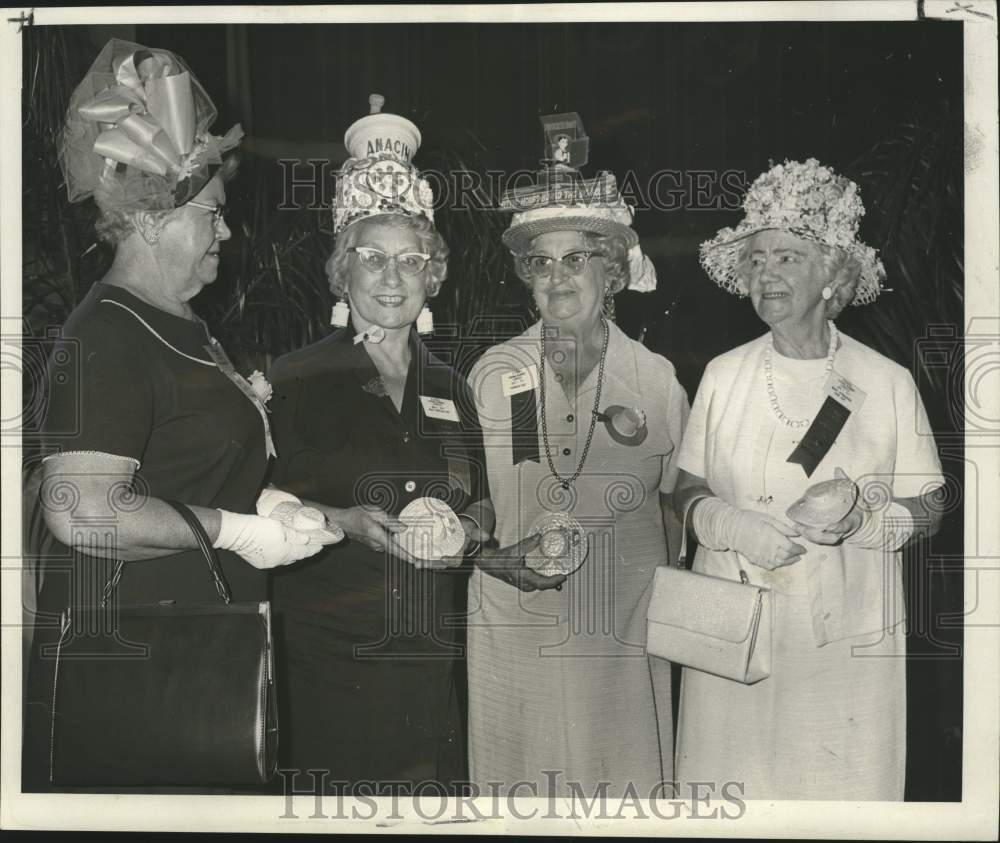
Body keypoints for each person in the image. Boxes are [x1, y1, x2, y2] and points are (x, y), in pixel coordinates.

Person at [22, 39, 325, 791]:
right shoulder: (104, 333)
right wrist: (242, 531)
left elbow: (191, 465)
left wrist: (270, 502)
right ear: (154, 220)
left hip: (200, 652)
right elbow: (82, 511)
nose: (227, 231)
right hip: (137, 665)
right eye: (213, 215)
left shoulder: (182, 326)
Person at [265, 96, 523, 793]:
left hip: (430, 658)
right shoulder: (292, 380)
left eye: (410, 261)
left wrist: (469, 527)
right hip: (324, 662)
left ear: (431, 275)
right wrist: (342, 522)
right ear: (342, 271)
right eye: (371, 258)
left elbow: (484, 503)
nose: (390, 278)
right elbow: (259, 505)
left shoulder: (454, 386)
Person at [673, 158, 945, 800]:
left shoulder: (884, 381)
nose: (766, 273)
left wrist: (867, 523)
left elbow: (931, 500)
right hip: (737, 632)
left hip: (843, 644)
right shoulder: (724, 374)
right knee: (732, 794)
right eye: (758, 258)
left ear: (832, 275)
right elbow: (684, 491)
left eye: (788, 258)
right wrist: (728, 523)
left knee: (835, 795)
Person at [465, 168, 689, 797]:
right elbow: (473, 496)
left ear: (612, 270)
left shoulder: (655, 378)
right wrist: (488, 554)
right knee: (522, 791)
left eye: (576, 258)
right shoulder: (495, 371)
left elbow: (678, 502)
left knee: (621, 790)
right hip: (516, 620)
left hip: (621, 629)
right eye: (540, 262)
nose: (556, 276)